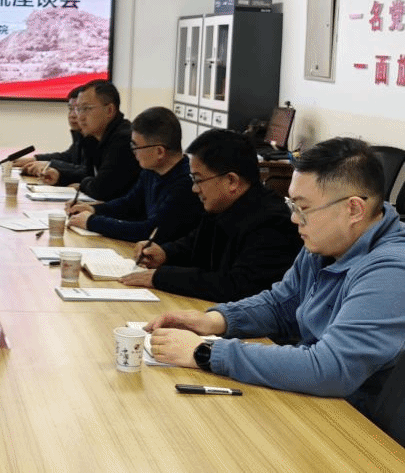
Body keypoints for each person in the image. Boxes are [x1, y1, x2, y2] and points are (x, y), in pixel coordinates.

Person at [146, 137, 405, 420]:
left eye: (303, 208)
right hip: (318, 404)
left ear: (353, 209)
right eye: (292, 205)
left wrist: (206, 352)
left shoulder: (391, 271)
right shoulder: (327, 242)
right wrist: (215, 321)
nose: (294, 219)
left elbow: (330, 368)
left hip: (358, 425)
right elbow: (281, 305)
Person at [121, 128, 301, 302]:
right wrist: (165, 253)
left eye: (198, 180)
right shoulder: (222, 206)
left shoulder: (272, 223)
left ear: (231, 181)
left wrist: (162, 277)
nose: (194, 189)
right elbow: (195, 244)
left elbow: (237, 286)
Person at [65, 106, 202, 244]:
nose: (133, 152)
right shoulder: (151, 171)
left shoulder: (186, 184)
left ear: (160, 152)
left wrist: (91, 222)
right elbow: (129, 204)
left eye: (136, 147)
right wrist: (93, 209)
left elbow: (149, 231)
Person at [52, 80, 139, 201]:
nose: (80, 117)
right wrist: (60, 176)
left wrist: (82, 185)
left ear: (109, 110)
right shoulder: (93, 138)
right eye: (78, 109)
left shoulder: (123, 139)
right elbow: (88, 174)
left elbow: (101, 189)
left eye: (86, 108)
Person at [14, 86, 92, 183]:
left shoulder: (96, 137)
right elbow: (69, 156)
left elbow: (88, 172)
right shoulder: (81, 135)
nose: (72, 115)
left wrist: (49, 165)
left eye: (79, 109)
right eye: (70, 109)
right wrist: (35, 159)